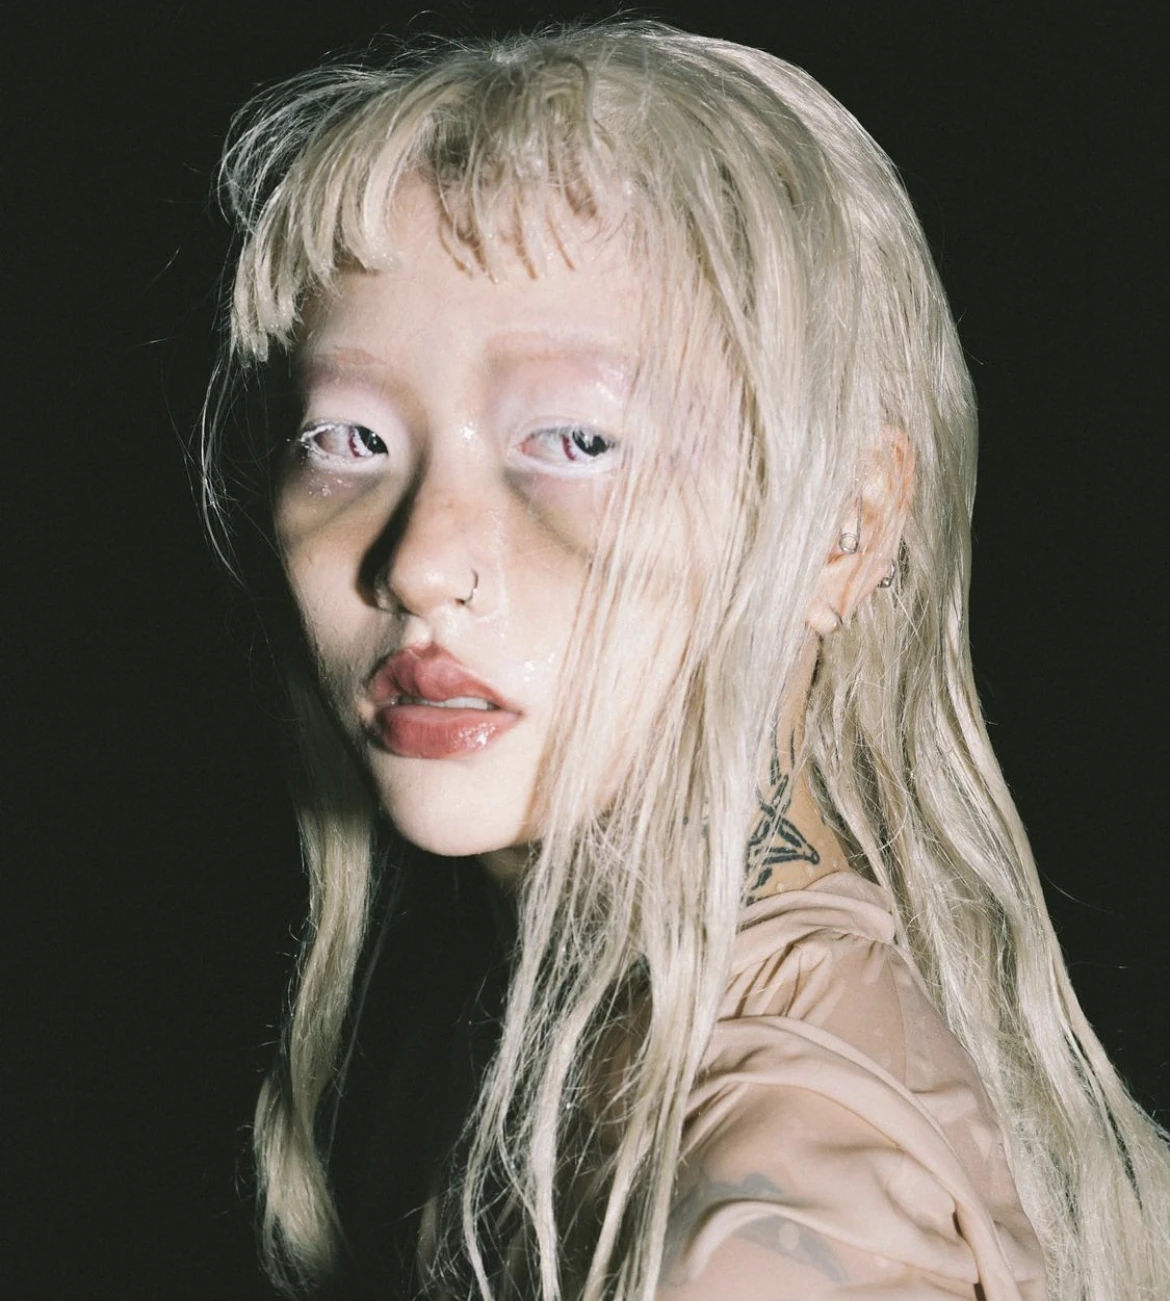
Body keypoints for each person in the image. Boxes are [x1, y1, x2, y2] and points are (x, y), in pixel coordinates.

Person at [202, 21, 1170, 1301]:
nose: (421, 561)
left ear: (845, 524)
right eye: (350, 438)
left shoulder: (768, 1226)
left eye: (576, 440)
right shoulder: (581, 1041)